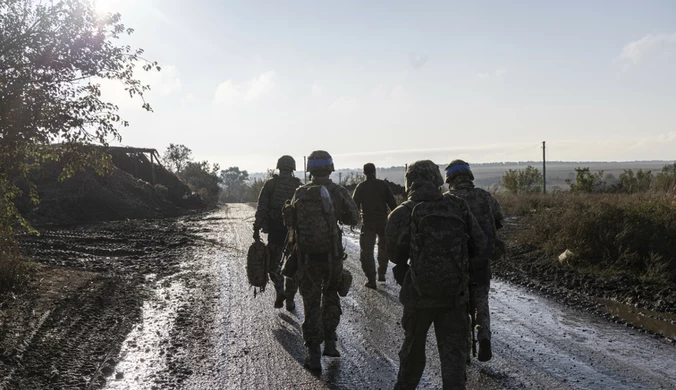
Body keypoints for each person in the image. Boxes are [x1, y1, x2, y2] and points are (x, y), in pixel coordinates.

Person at [386, 160, 486, 389]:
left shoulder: (401, 213)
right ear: (437, 179)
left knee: (412, 353)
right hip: (454, 295)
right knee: (453, 362)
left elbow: (394, 257)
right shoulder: (457, 206)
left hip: (419, 296)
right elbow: (480, 246)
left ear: (409, 182)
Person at [285, 150, 360, 371]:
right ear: (330, 168)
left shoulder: (299, 193)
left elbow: (290, 223)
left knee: (310, 304)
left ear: (310, 170)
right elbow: (354, 218)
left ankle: (314, 356)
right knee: (330, 298)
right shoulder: (338, 191)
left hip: (307, 258)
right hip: (332, 258)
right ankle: (330, 343)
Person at [444, 159, 504, 362]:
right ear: (469, 176)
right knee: (481, 301)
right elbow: (499, 220)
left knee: (460, 305)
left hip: (456, 263)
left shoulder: (446, 200)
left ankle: (464, 348)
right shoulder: (484, 196)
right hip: (481, 259)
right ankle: (483, 334)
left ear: (449, 179)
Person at [253, 155, 302, 311]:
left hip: (275, 230)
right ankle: (290, 298)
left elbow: (262, 208)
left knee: (274, 264)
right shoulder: (298, 187)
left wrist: (256, 228)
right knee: (293, 265)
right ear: (293, 169)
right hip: (294, 232)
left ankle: (280, 291)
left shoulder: (270, 184)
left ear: (279, 167)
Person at [352, 163, 397, 289]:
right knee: (383, 248)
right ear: (374, 171)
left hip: (368, 223)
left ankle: (371, 280)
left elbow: (354, 206)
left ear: (364, 172)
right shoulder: (383, 185)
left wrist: (353, 221)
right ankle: (382, 273)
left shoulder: (361, 187)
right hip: (383, 221)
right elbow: (393, 204)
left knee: (366, 252)